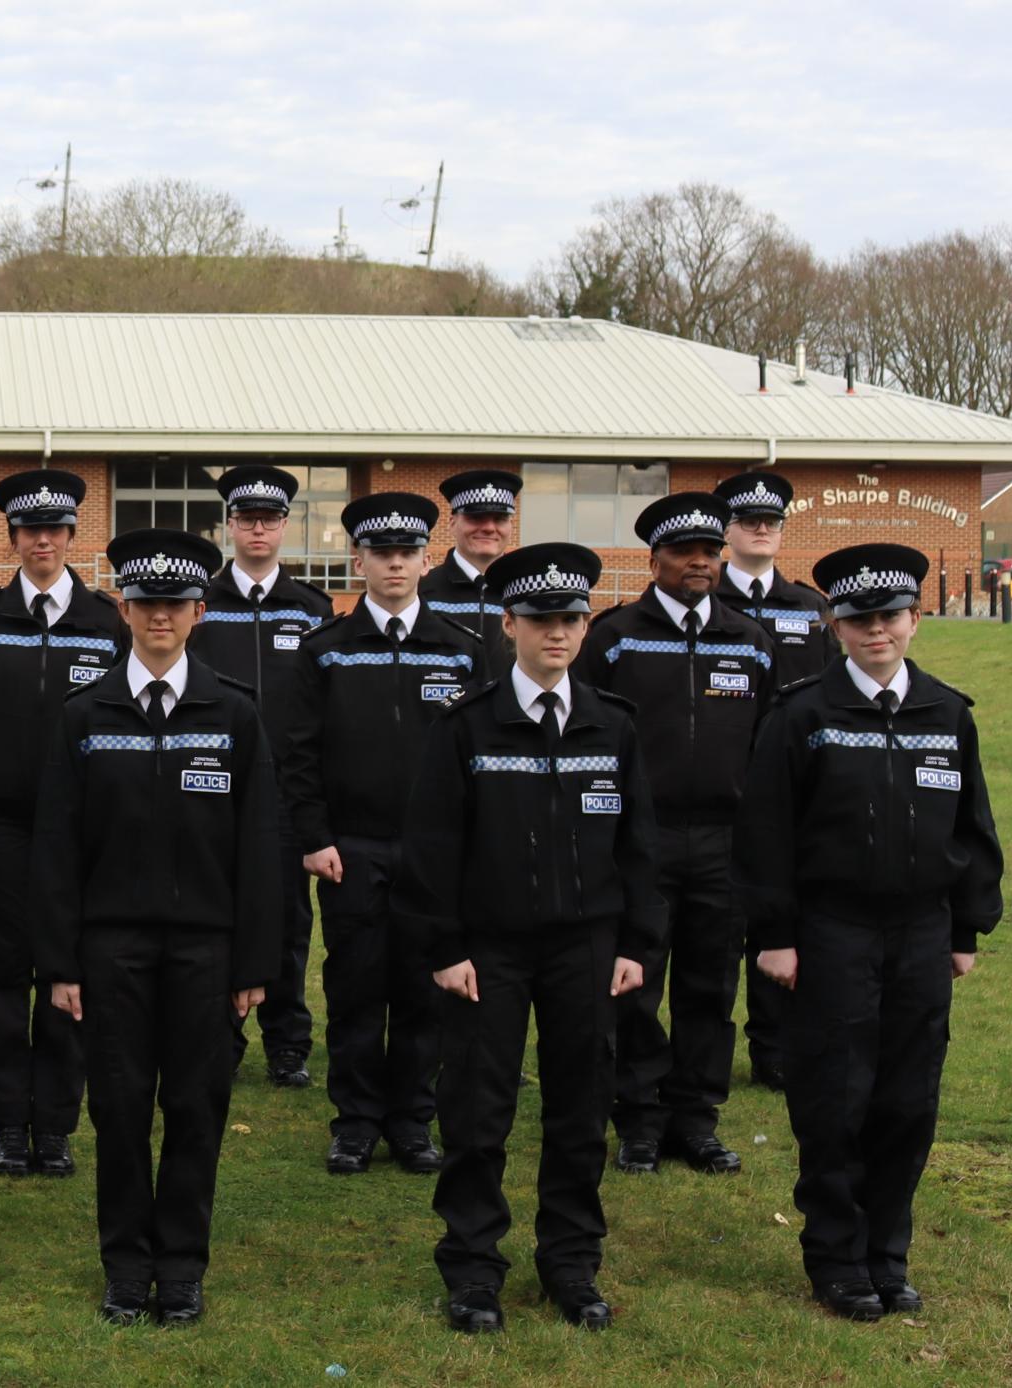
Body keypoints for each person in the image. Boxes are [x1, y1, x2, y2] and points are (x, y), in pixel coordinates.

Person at [397, 542, 663, 1333]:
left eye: (572, 618)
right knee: (478, 1113)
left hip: (587, 948)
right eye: (541, 618)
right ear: (508, 622)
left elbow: (641, 850)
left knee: (581, 1111)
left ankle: (571, 1264)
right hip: (489, 951)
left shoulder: (613, 727)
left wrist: (638, 945)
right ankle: (474, 1268)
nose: (558, 632)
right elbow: (431, 847)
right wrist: (444, 948)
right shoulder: (466, 728)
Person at [733, 543, 1002, 1322]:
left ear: (915, 621)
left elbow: (973, 828)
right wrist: (775, 934)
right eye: (858, 619)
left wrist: (967, 929)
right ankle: (838, 1259)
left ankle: (889, 1255)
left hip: (921, 932)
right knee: (835, 1097)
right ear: (834, 625)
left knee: (908, 1100)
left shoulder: (947, 713)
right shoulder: (803, 714)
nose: (875, 631)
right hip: (832, 931)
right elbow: (766, 834)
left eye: (889, 616)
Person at [35, 527, 284, 1328]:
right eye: (145, 604)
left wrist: (254, 963)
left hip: (206, 951)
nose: (159, 618)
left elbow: (260, 850)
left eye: (175, 604)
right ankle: (124, 1264)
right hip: (111, 950)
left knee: (196, 1105)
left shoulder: (235, 715)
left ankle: (180, 1267)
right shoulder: (83, 714)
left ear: (199, 611)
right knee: (116, 1106)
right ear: (124, 609)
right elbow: (56, 846)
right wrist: (61, 963)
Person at [0, 468, 129, 1178]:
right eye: (28, 530)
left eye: (54, 530)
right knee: (1, 976)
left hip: (82, 834)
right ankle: (9, 1120)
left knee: (69, 976)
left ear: (71, 536)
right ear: (12, 538)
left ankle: (56, 1122)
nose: (41, 540)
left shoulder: (107, 623)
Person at [576, 493, 775, 1178]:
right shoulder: (615, 636)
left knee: (711, 987)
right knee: (633, 985)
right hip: (642, 842)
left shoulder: (747, 639)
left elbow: (768, 742)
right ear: (653, 559)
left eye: (709, 551)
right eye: (684, 552)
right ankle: (637, 1117)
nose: (700, 562)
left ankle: (695, 1119)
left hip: (724, 843)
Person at [283, 494, 479, 1176]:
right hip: (352, 850)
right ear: (358, 560)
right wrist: (314, 835)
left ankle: (412, 1122)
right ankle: (357, 1122)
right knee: (357, 991)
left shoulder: (461, 651)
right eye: (380, 553)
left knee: (427, 993)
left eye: (407, 553)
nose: (394, 564)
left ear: (427, 559)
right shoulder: (326, 652)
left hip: (434, 857)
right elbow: (298, 753)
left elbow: (477, 759)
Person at [188, 462, 332, 1090]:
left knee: (285, 921)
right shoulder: (200, 604)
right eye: (246, 519)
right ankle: (215, 1034)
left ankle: (287, 1041)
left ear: (283, 527)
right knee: (211, 913)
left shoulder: (312, 609)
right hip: (210, 787)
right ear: (230, 526)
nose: (257, 529)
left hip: (284, 793)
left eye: (269, 520)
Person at [711, 471, 838, 1092]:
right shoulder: (707, 604)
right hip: (719, 788)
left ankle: (774, 1047)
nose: (762, 530)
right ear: (728, 531)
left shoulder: (810, 607)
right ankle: (705, 1051)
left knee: (777, 919)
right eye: (749, 521)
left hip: (790, 793)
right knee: (714, 932)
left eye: (772, 522)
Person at [418, 469, 520, 683]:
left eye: (500, 518)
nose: (489, 528)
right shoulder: (420, 593)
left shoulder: (525, 592)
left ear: (511, 525)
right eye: (476, 518)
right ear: (452, 523)